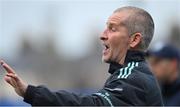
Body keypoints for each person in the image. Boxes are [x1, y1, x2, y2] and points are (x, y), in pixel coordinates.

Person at [0, 6, 163, 106]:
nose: (102, 35)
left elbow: (93, 104)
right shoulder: (128, 74)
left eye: (112, 29)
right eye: (106, 27)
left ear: (134, 40)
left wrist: (30, 92)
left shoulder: (134, 78)